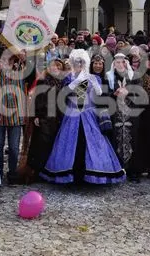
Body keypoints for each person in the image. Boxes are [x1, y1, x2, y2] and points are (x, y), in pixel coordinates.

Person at [41, 49, 124, 185]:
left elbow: (99, 95)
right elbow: (64, 94)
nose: (79, 65)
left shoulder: (94, 77)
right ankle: (73, 175)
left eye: (82, 62)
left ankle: (90, 174)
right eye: (77, 62)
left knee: (90, 144)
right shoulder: (69, 78)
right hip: (72, 115)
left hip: (89, 115)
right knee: (72, 144)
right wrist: (76, 81)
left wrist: (94, 84)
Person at [18, 58, 65, 183]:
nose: (55, 68)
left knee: (52, 145)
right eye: (53, 66)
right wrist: (37, 116)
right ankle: (36, 173)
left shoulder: (62, 82)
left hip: (57, 118)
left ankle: (48, 172)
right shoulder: (42, 81)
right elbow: (36, 99)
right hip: (44, 117)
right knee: (40, 145)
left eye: (58, 67)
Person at [0, 53, 27, 183]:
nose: (7, 63)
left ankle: (12, 174)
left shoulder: (21, 71)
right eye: (4, 60)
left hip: (16, 116)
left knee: (13, 147)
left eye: (10, 60)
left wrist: (23, 57)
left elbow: (32, 68)